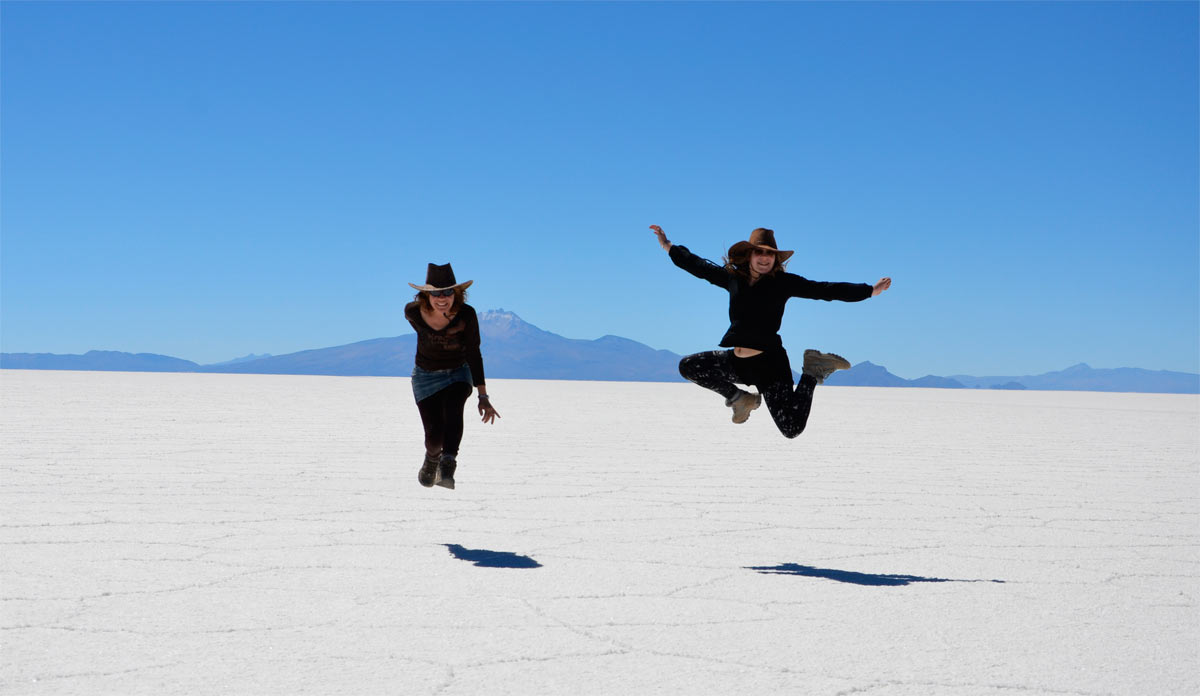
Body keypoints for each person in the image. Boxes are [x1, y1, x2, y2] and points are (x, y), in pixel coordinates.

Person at [649, 225, 891, 439]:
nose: (765, 258)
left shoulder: (783, 283)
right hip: (737, 363)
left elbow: (825, 290)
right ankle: (740, 398)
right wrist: (668, 246)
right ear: (749, 255)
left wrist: (869, 290)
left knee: (791, 428)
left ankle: (813, 370)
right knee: (689, 367)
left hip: (769, 366)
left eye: (770, 254)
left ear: (776, 259)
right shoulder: (734, 279)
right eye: (759, 252)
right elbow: (698, 266)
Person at [405, 262, 500, 489]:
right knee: (434, 437)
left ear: (457, 293)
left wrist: (483, 396)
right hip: (425, 377)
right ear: (425, 295)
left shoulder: (467, 315)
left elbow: (474, 353)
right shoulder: (413, 312)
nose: (442, 298)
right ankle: (432, 459)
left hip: (459, 371)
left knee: (454, 405)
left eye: (448, 292)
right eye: (435, 293)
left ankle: (448, 466)